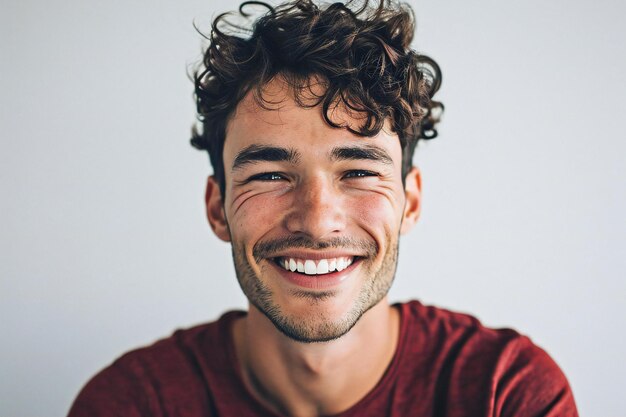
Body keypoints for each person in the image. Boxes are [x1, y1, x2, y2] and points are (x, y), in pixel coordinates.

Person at [67, 0, 578, 416]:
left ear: (410, 203)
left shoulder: (505, 394)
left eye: (358, 171)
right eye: (269, 175)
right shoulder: (130, 405)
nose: (316, 220)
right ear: (218, 208)